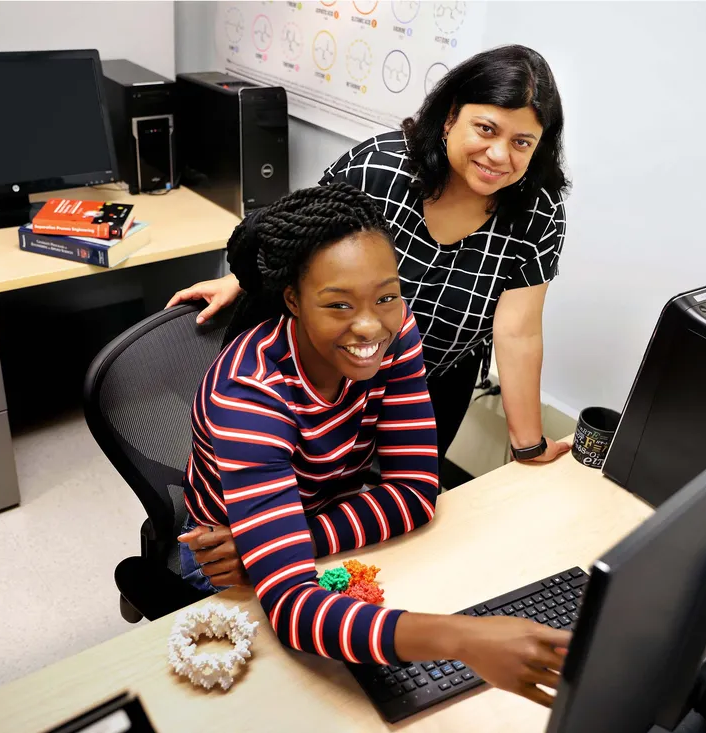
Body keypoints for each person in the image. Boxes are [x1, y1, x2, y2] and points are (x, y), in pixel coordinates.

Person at [176, 183, 571, 706]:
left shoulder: (395, 329)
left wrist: (286, 544)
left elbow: (414, 492)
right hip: (224, 558)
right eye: (338, 304)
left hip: (279, 542)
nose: (371, 326)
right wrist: (461, 638)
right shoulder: (248, 397)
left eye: (386, 295)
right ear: (292, 300)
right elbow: (294, 607)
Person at [168, 45, 572, 466]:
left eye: (522, 142)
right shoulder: (381, 167)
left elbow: (518, 333)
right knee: (291, 495)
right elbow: (302, 238)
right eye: (486, 129)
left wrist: (528, 447)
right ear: (451, 117)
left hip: (426, 387)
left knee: (407, 506)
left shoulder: (537, 212)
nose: (500, 156)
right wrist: (240, 278)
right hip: (321, 375)